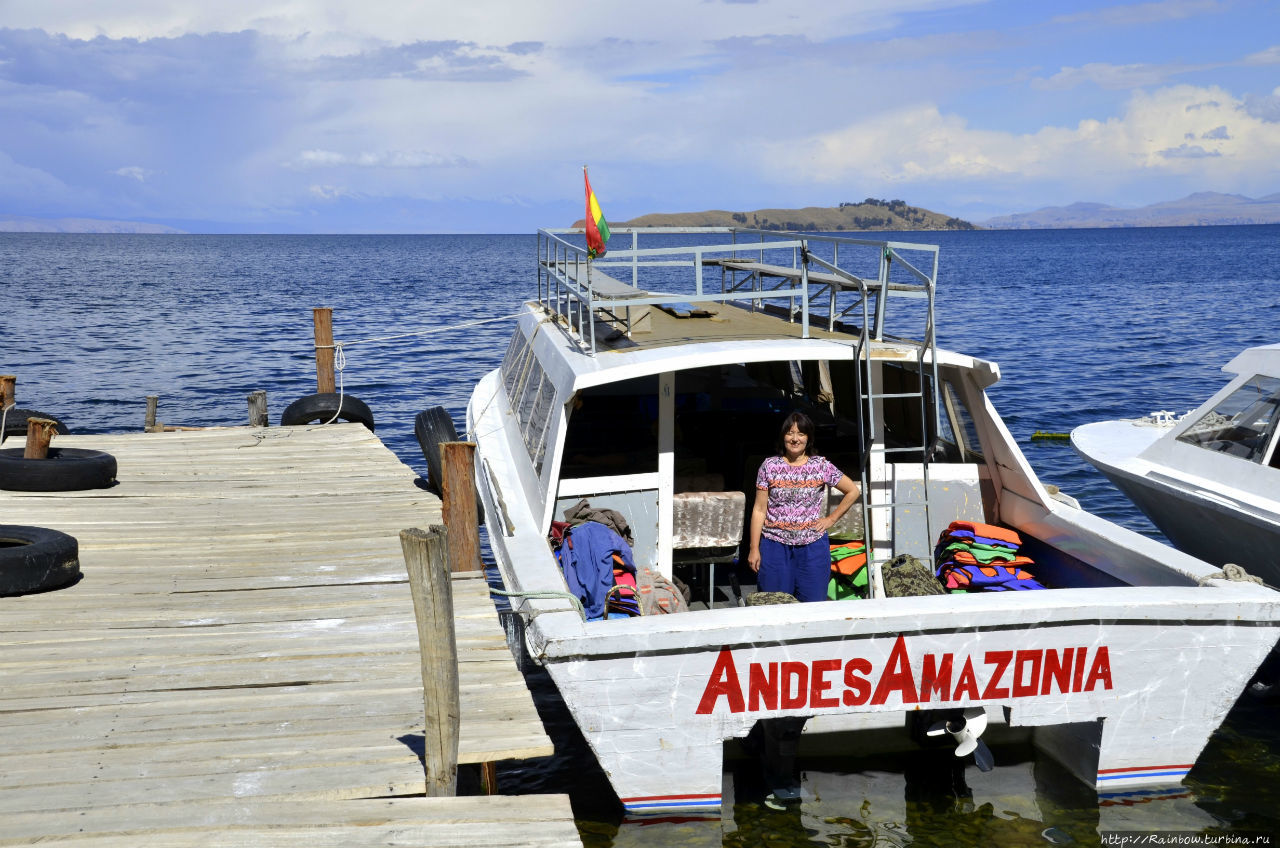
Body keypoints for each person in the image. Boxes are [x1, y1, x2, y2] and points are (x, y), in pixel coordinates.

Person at [748, 411, 860, 602]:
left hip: (812, 548)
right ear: (783, 436)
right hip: (775, 546)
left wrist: (831, 519)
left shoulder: (821, 466)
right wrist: (754, 548)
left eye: (801, 434)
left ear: (808, 438)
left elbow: (853, 491)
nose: (795, 439)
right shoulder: (768, 466)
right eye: (790, 433)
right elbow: (759, 509)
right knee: (774, 605)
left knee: (812, 605)